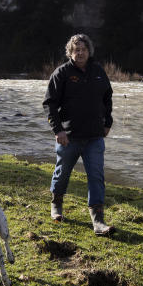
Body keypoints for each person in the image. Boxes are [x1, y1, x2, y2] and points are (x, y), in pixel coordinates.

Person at [43, 33, 115, 235]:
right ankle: (56, 206)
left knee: (96, 177)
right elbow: (49, 104)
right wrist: (58, 130)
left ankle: (98, 222)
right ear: (70, 53)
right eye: (76, 50)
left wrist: (108, 122)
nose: (80, 52)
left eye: (83, 49)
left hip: (94, 137)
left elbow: (107, 98)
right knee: (62, 172)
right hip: (69, 137)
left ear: (89, 51)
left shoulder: (99, 72)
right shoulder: (61, 73)